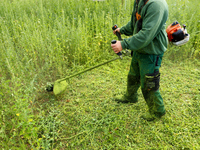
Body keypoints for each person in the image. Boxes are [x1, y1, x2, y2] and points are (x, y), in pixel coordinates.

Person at [111, 0, 168, 121]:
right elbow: (134, 23)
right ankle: (130, 96)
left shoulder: (156, 5)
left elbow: (146, 34)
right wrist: (122, 30)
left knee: (149, 83)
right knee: (133, 75)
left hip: (152, 51)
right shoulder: (140, 1)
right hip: (140, 49)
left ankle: (157, 111)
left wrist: (124, 44)